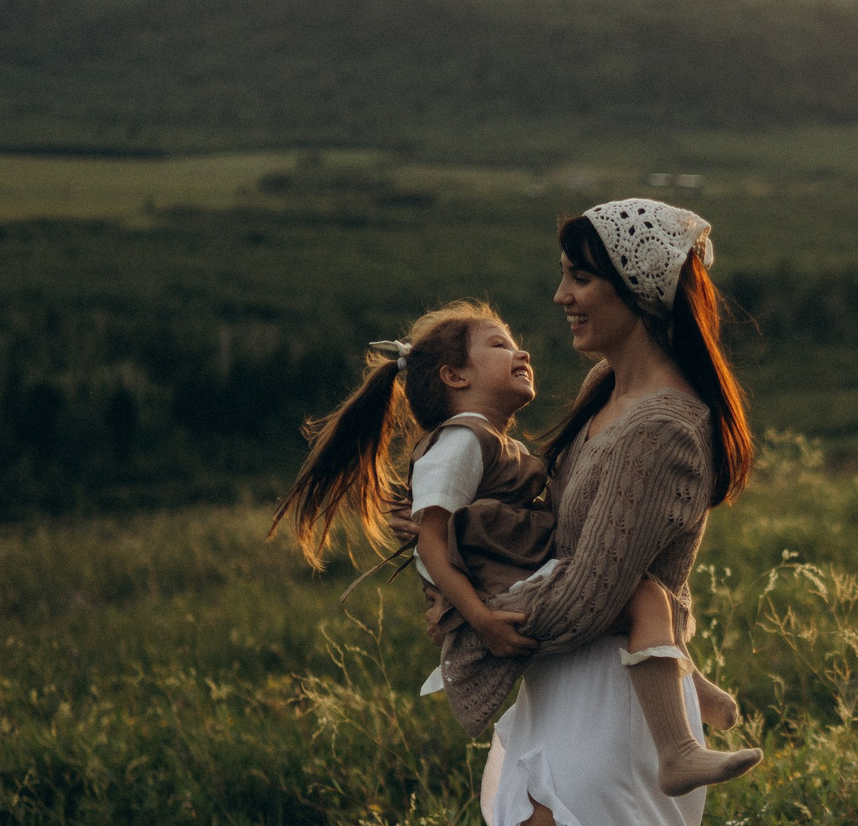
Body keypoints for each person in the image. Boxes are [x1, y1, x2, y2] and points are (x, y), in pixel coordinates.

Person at [455, 198, 764, 826]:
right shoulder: (606, 391)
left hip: (605, 715)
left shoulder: (667, 427)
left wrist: (478, 621)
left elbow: (593, 596)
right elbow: (564, 543)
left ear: (641, 289)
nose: (561, 295)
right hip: (563, 701)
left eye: (582, 276)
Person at [266, 301, 755, 796]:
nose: (521, 353)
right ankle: (676, 750)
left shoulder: (492, 443)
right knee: (646, 596)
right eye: (500, 345)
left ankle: (685, 688)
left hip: (525, 571)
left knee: (647, 591)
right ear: (455, 376)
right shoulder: (459, 444)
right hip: (505, 591)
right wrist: (479, 618)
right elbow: (432, 544)